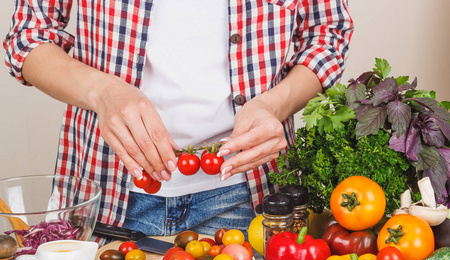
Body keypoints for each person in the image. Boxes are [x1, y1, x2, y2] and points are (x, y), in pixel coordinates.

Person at [3, 0, 353, 240]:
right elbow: (28, 36)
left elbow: (327, 33)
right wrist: (101, 91)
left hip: (249, 196)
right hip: (107, 192)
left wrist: (275, 105)